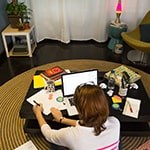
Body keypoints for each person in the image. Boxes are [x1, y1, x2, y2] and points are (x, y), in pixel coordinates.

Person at [33, 84, 120, 150]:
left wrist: (38, 113)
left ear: (78, 109)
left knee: (55, 144)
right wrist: (61, 119)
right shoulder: (115, 123)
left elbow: (48, 134)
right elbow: (88, 124)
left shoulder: (71, 135)